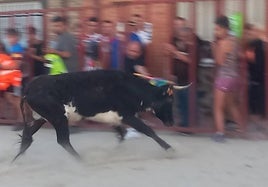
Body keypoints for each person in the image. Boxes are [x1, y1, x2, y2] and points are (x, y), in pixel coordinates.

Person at [212, 15, 244, 142]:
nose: (216, 32)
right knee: (231, 105)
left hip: (223, 78)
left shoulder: (223, 42)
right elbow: (240, 55)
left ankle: (220, 133)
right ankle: (241, 128)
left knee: (218, 107)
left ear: (225, 29)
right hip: (233, 77)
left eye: (218, 29)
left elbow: (219, 61)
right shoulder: (234, 40)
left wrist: (215, 47)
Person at [164, 24, 192, 128]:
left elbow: (190, 60)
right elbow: (167, 55)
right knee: (181, 102)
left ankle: (189, 125)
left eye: (184, 36)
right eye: (181, 36)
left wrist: (174, 51)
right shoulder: (176, 43)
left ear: (188, 36)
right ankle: (184, 124)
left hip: (190, 79)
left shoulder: (192, 45)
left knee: (188, 103)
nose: (182, 38)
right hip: (179, 78)